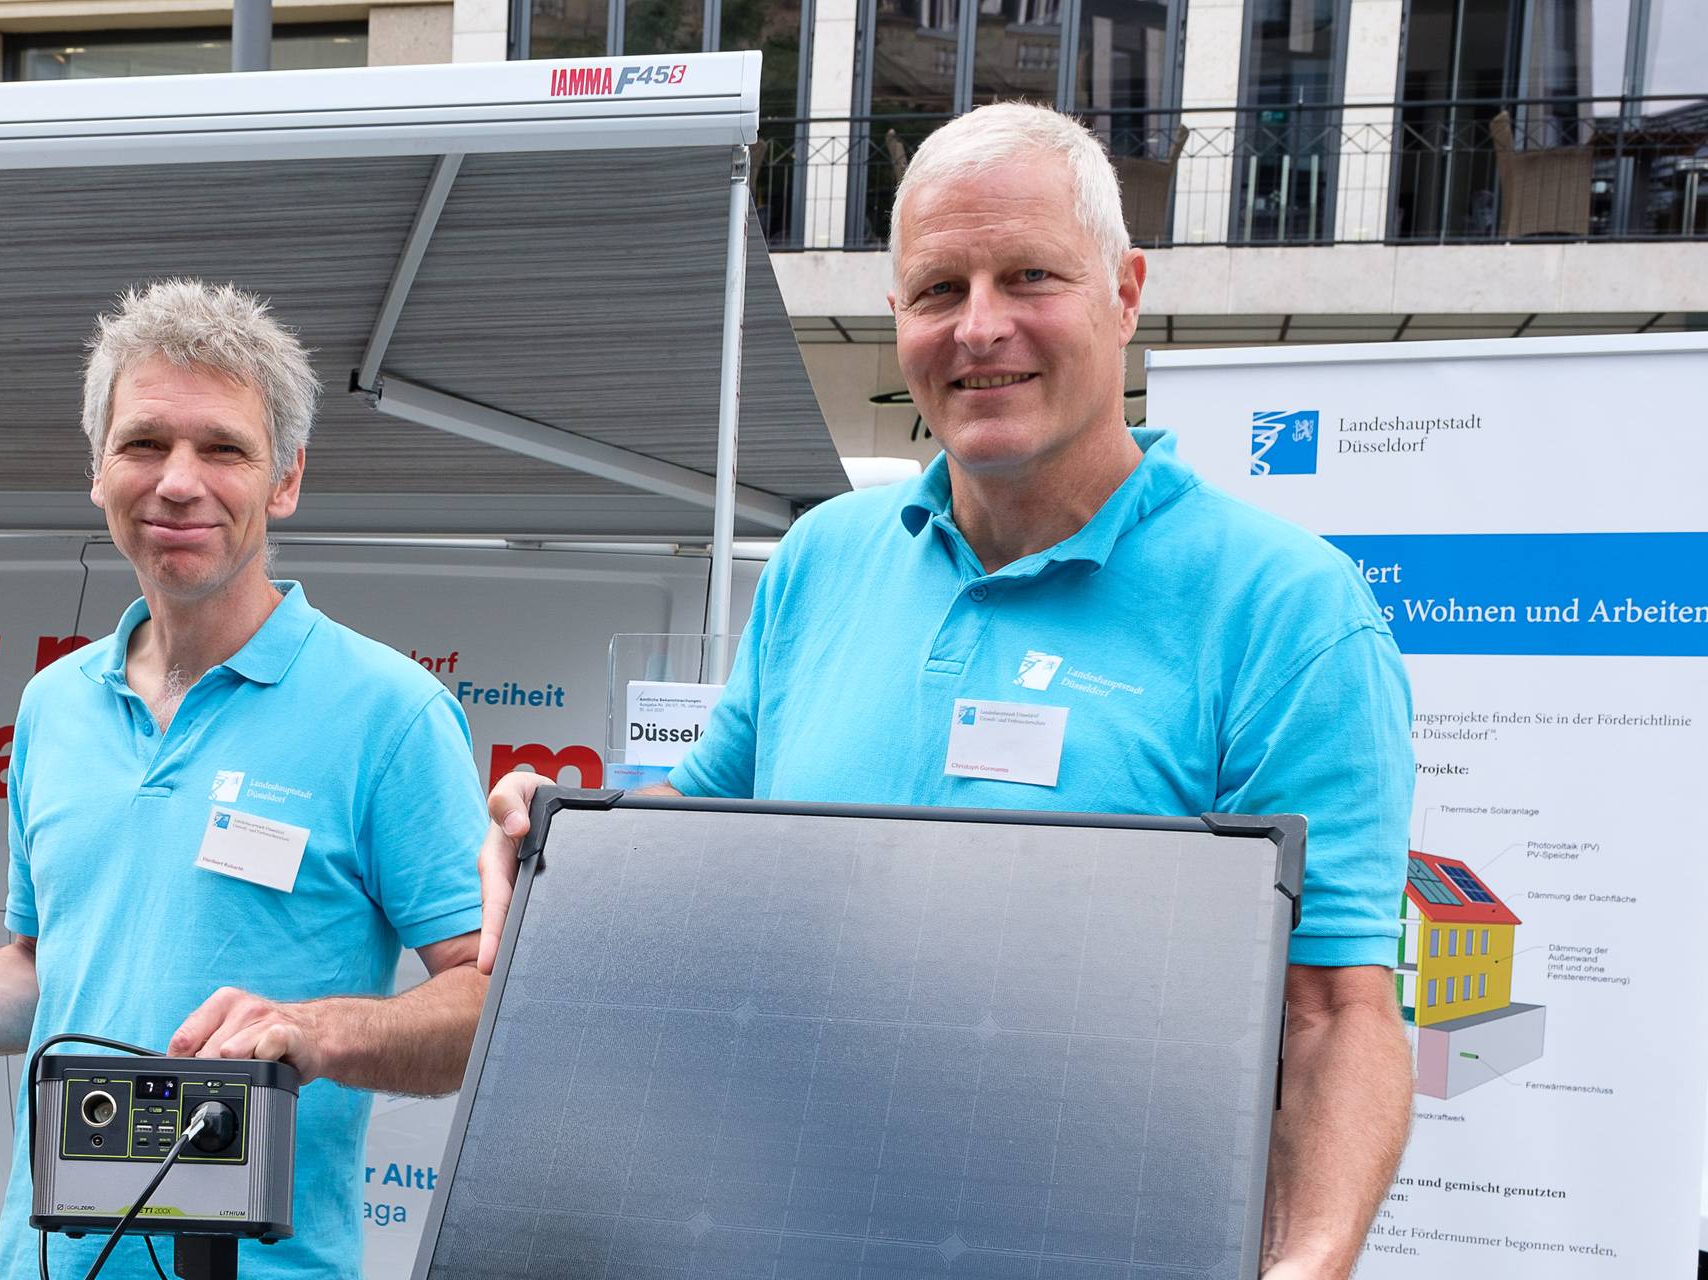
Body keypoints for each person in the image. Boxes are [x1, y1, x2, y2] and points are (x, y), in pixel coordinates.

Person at [479, 103, 1414, 1280]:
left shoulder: (1287, 612)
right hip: (781, 1233)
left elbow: (1337, 1017)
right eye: (938, 289)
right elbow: (704, 825)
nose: (981, 327)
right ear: (898, 319)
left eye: (1029, 275)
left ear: (1126, 290)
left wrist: (1310, 1261)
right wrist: (567, 832)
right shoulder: (825, 558)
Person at [0, 279, 489, 1279]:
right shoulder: (55, 704)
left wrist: (319, 1029)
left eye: (223, 447)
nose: (179, 481)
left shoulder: (389, 714)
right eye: (144, 443)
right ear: (98, 470)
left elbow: (491, 1005)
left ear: (286, 478)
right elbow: (44, 971)